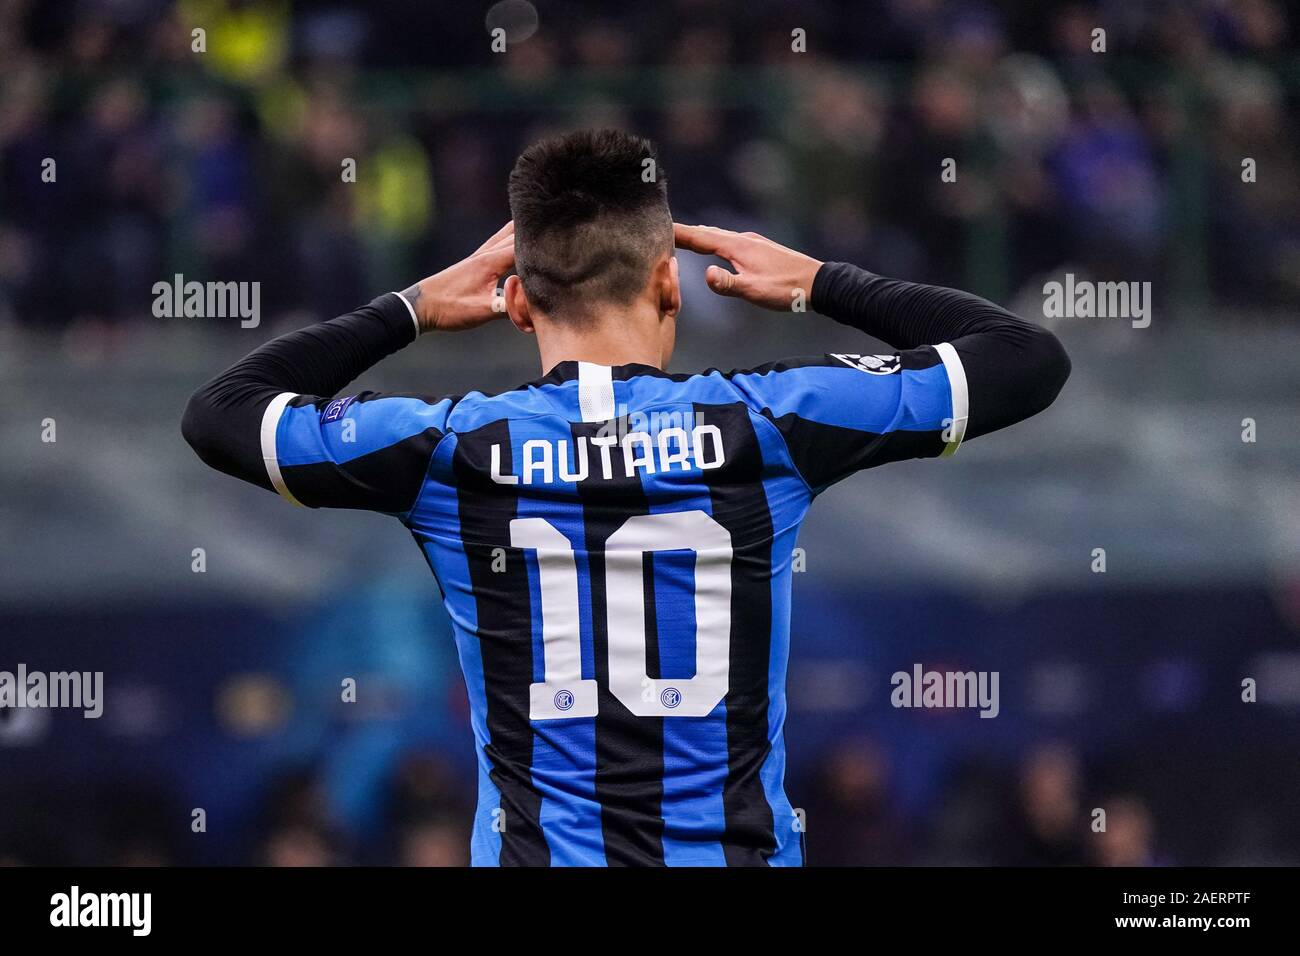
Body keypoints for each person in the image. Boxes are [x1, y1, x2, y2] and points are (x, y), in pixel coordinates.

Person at [183, 128, 1070, 866]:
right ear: (667, 281)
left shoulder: (447, 448)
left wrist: (410, 307)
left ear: (520, 304)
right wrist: (819, 282)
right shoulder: (767, 422)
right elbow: (1025, 361)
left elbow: (221, 415)